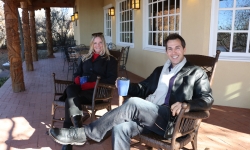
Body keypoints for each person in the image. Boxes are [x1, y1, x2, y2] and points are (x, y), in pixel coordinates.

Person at [48, 34, 214, 150]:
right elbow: (142, 88)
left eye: (177, 48)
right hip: (148, 116)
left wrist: (187, 104)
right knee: (120, 128)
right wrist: (126, 85)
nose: (173, 52)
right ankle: (85, 133)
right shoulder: (159, 70)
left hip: (169, 121)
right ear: (166, 51)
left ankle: (85, 133)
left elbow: (207, 99)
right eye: (169, 49)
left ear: (183, 49)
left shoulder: (195, 72)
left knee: (133, 103)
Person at [60, 32, 118, 150]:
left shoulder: (110, 60)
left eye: (100, 43)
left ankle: (68, 142)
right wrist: (77, 80)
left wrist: (91, 84)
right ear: (92, 44)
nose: (98, 45)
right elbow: (76, 74)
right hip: (81, 90)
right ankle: (78, 127)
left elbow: (111, 80)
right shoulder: (85, 58)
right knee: (71, 89)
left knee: (69, 100)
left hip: (97, 93)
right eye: (95, 43)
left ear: (104, 44)